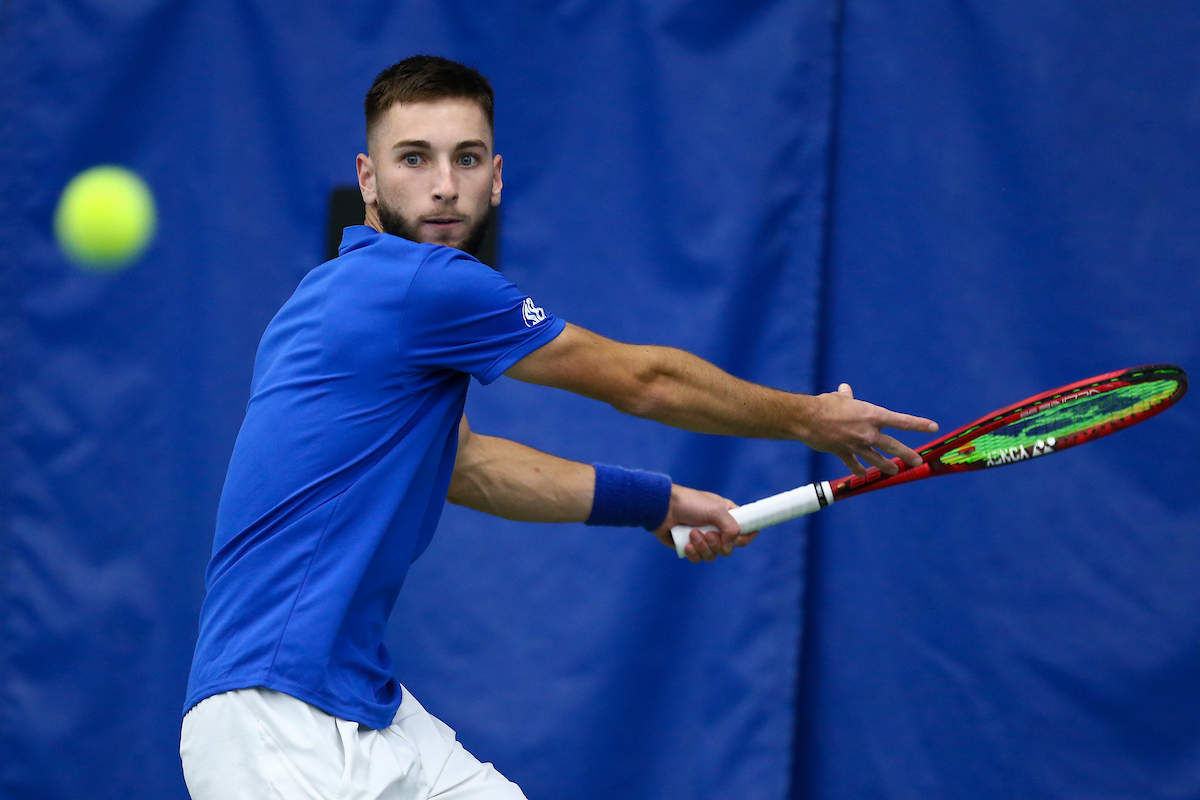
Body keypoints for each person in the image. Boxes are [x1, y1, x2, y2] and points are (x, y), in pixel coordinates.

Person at [179, 55, 937, 800]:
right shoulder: (421, 284)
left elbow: (468, 465)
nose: (444, 185)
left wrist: (657, 502)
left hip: (356, 703)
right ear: (368, 179)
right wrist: (810, 418)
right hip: (277, 715)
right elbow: (646, 383)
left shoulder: (327, 298)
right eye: (415, 158)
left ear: (496, 177)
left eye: (466, 159)